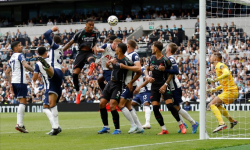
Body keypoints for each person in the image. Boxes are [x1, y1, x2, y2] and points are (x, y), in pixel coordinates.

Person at [145, 41, 186, 135]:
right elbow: (146, 69)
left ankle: (181, 124)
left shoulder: (165, 60)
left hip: (164, 84)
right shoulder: (151, 58)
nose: (151, 48)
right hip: (154, 86)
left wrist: (165, 84)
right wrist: (148, 76)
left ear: (156, 48)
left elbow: (172, 73)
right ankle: (164, 129)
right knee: (155, 108)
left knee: (170, 106)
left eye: (152, 47)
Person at [160, 43, 199, 134]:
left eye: (167, 47)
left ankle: (193, 123)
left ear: (169, 49)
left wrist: (164, 70)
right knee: (173, 106)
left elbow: (176, 71)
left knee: (176, 107)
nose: (165, 48)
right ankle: (183, 124)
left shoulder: (171, 58)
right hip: (169, 86)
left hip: (174, 86)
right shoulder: (167, 58)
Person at [98, 43, 132, 134]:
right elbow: (112, 68)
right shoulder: (115, 58)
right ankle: (106, 127)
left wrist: (131, 82)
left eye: (116, 48)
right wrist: (108, 64)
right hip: (110, 83)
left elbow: (135, 68)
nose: (115, 49)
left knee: (112, 105)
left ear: (120, 49)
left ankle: (117, 129)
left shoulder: (126, 60)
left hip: (119, 84)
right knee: (102, 103)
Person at [36, 26, 64, 135]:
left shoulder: (54, 46)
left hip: (55, 71)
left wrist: (52, 29)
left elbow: (46, 35)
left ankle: (56, 127)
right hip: (59, 74)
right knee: (52, 104)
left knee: (51, 104)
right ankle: (56, 127)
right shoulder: (60, 48)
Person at [63, 18, 98, 103]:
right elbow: (70, 43)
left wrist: (95, 47)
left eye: (93, 25)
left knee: (91, 59)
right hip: (81, 53)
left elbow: (95, 43)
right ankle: (78, 93)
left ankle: (91, 66)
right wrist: (62, 50)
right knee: (74, 74)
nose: (91, 27)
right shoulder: (80, 33)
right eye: (90, 25)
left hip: (89, 52)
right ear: (86, 24)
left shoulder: (94, 33)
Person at [5, 41, 34, 133]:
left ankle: (20, 124)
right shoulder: (20, 55)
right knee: (23, 102)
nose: (22, 46)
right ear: (15, 48)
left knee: (23, 101)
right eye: (19, 45)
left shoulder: (11, 57)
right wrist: (36, 71)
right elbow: (26, 65)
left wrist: (10, 83)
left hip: (14, 82)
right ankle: (19, 124)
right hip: (21, 81)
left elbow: (6, 72)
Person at [206, 52, 238, 133]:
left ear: (215, 59)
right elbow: (224, 83)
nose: (210, 57)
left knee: (211, 104)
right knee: (217, 105)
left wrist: (214, 80)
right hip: (231, 91)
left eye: (212, 56)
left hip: (231, 91)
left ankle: (222, 124)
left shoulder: (220, 65)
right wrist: (215, 89)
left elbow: (227, 73)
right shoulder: (217, 67)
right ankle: (232, 121)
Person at [118, 40, 143, 133]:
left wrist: (131, 82)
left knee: (120, 104)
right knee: (128, 106)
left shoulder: (134, 55)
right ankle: (139, 127)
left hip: (129, 83)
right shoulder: (126, 56)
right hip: (126, 83)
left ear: (128, 46)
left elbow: (138, 69)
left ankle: (133, 125)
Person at [132, 58, 152, 129]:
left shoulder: (143, 69)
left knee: (146, 104)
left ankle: (147, 123)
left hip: (146, 90)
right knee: (131, 106)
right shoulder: (135, 71)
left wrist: (139, 87)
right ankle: (137, 124)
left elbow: (147, 80)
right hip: (140, 92)